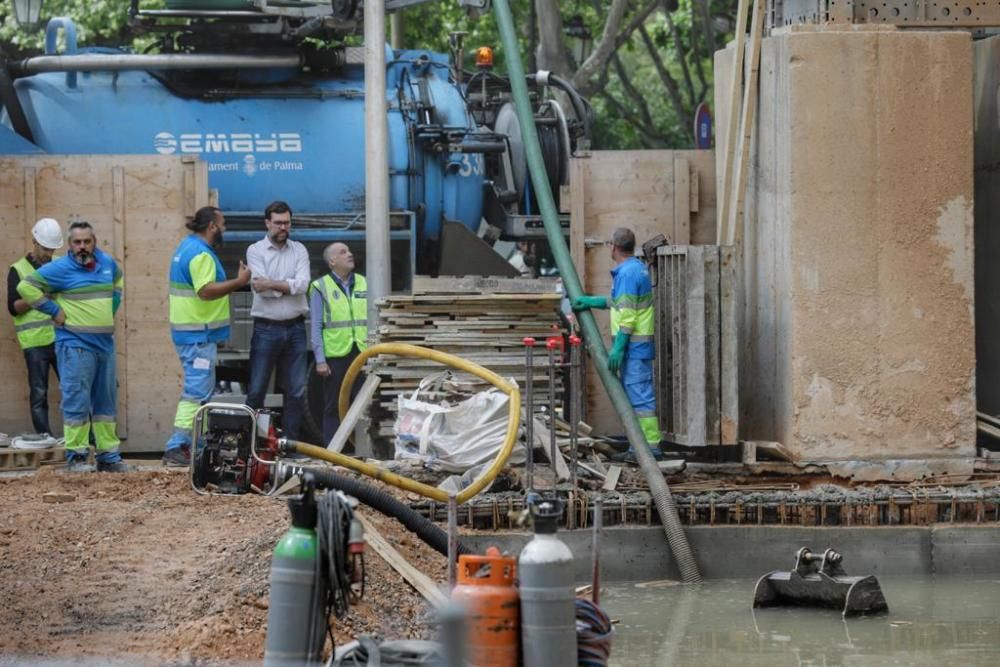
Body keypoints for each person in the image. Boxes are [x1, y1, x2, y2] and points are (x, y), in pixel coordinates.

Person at [17, 221, 127, 473]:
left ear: (94, 241)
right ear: (69, 245)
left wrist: (111, 309)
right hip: (75, 345)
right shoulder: (61, 268)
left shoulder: (107, 264)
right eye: (77, 242)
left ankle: (108, 456)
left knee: (105, 404)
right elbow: (26, 286)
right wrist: (54, 310)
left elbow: (118, 282)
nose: (82, 247)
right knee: (76, 401)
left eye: (87, 241)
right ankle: (76, 456)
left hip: (104, 346)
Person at [164, 206, 251, 466]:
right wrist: (239, 282)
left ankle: (192, 446)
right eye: (222, 224)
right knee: (197, 390)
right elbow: (206, 291)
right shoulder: (200, 254)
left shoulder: (186, 247)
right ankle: (177, 446)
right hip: (197, 335)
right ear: (212, 226)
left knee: (200, 389)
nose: (224, 229)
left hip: (193, 333)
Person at [572, 227, 661, 461]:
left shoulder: (628, 274)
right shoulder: (634, 270)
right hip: (636, 349)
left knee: (640, 399)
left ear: (613, 246)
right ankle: (639, 447)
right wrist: (593, 301)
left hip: (634, 349)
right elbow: (619, 303)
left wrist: (619, 347)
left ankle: (650, 448)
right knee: (635, 398)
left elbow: (628, 316)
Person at [245, 201, 310, 440]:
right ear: (267, 223)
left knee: (296, 391)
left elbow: (303, 284)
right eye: (278, 223)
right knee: (256, 391)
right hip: (266, 329)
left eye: (287, 223)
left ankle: (289, 446)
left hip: (295, 328)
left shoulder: (299, 250)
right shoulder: (255, 250)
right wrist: (288, 286)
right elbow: (261, 290)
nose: (283, 227)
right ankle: (253, 446)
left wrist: (272, 283)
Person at [7, 218, 63, 435]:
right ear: (34, 242)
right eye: (45, 248)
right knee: (39, 394)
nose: (48, 253)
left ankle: (82, 440)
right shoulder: (18, 270)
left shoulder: (60, 264)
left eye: (52, 248)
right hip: (35, 343)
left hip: (61, 338)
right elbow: (13, 307)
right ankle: (45, 439)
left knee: (73, 391)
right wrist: (38, 297)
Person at [308, 243, 367, 447]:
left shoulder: (364, 283)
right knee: (333, 405)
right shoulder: (320, 286)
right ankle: (332, 453)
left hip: (362, 352)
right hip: (336, 355)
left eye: (350, 250)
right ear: (332, 261)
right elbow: (315, 325)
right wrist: (320, 359)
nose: (350, 254)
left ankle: (362, 451)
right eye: (343, 252)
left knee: (363, 405)